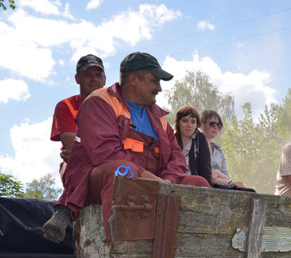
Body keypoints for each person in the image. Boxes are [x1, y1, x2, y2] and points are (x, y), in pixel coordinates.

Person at [42, 52, 210, 244]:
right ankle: (125, 252)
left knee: (198, 184)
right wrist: (151, 179)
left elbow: (176, 156)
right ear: (133, 80)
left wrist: (169, 180)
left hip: (153, 181)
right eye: (154, 81)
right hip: (96, 179)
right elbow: (106, 153)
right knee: (123, 171)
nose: (159, 88)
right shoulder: (99, 102)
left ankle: (195, 252)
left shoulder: (159, 117)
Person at [50, 54, 106, 179]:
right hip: (76, 167)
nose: (94, 79)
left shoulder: (116, 106)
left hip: (107, 164)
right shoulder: (66, 106)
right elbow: (72, 149)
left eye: (98, 75)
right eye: (88, 75)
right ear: (77, 78)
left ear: (104, 79)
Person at [201, 109, 255, 192]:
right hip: (204, 186)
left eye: (219, 124)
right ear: (202, 124)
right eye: (212, 123)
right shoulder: (196, 147)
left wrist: (218, 174)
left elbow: (226, 175)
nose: (216, 127)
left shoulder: (219, 152)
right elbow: (204, 176)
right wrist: (230, 182)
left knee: (250, 192)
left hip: (221, 185)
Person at [173, 105, 212, 185]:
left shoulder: (200, 139)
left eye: (193, 122)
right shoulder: (171, 139)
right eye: (185, 121)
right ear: (178, 123)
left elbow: (205, 168)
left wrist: (209, 191)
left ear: (196, 125)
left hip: (194, 182)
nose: (189, 125)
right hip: (174, 180)